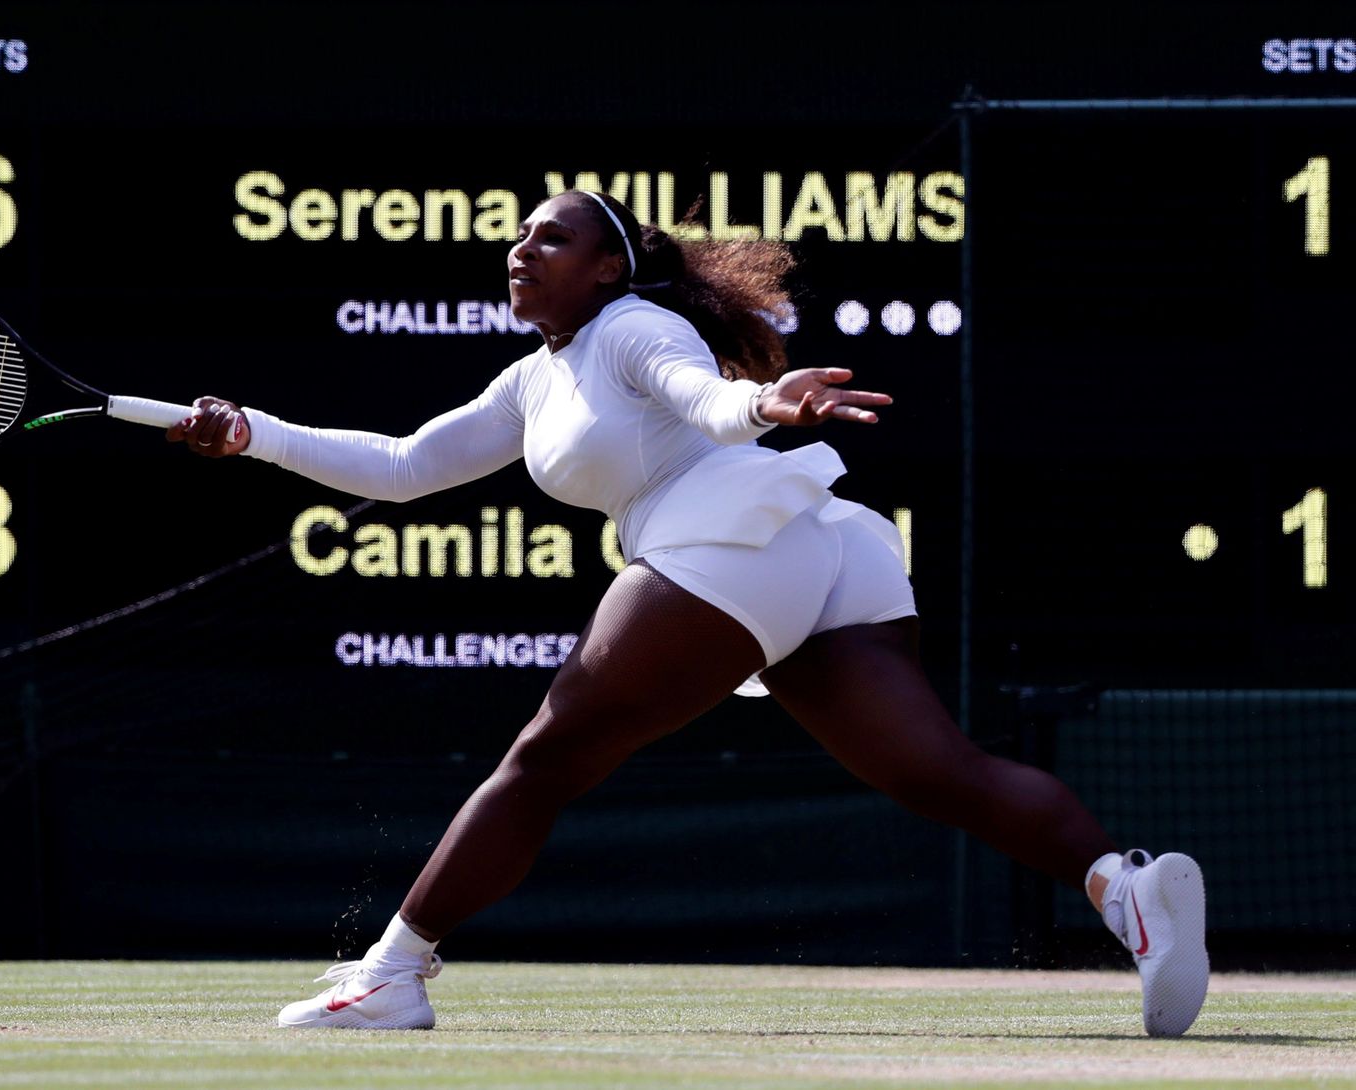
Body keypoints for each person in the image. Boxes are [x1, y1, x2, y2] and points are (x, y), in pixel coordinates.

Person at [168, 189, 1208, 1037]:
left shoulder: (632, 326)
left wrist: (762, 402)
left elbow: (700, 394)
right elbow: (402, 468)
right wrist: (251, 431)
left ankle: (391, 971)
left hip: (725, 534)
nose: (521, 247)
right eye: (519, 235)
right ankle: (1124, 888)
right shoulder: (532, 378)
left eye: (551, 236)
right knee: (935, 772)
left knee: (545, 754)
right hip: (812, 544)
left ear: (609, 268)